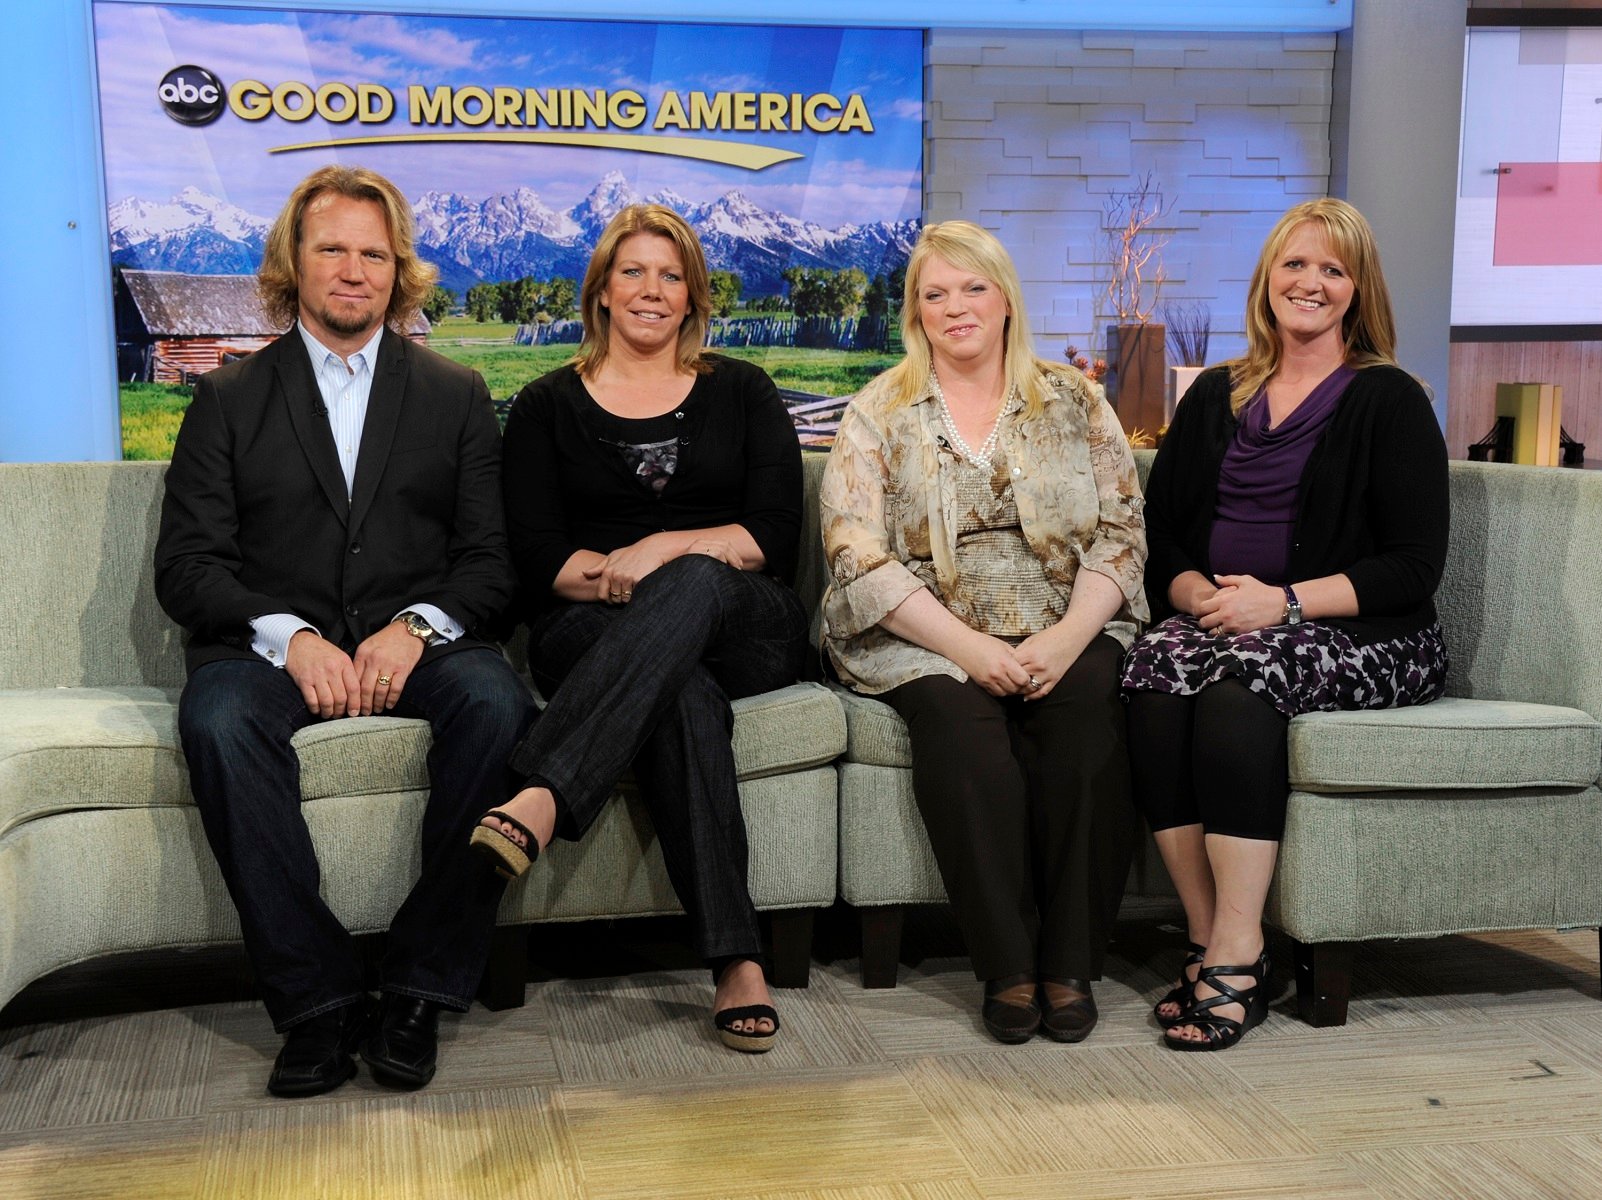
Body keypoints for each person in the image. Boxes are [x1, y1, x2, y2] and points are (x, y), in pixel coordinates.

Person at [155, 165, 535, 1097]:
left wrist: (414, 627)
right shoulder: (228, 399)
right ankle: (316, 1003)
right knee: (215, 721)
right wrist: (291, 636)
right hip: (271, 654)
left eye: (375, 252)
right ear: (295, 261)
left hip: (419, 645)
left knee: (496, 704)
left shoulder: (455, 393)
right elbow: (189, 569)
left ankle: (418, 987)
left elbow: (492, 563)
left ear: (399, 270)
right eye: (332, 248)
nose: (354, 270)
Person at [470, 204, 806, 1054]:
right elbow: (541, 555)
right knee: (678, 690)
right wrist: (631, 578)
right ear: (603, 292)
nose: (653, 290)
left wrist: (660, 550)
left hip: (746, 623)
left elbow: (769, 537)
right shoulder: (547, 406)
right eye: (634, 273)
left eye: (671, 274)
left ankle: (544, 792)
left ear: (692, 294)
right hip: (589, 622)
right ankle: (737, 960)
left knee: (694, 577)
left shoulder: (744, 389)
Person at [1123, 197, 1449, 1052]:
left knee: (1240, 689)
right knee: (1151, 680)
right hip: (1228, 617)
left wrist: (1285, 602)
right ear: (1268, 279)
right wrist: (1195, 596)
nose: (1310, 283)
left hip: (1364, 632)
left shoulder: (1389, 399)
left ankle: (1239, 950)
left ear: (1357, 290)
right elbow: (1166, 545)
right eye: (1295, 265)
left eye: (1332, 270)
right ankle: (1210, 936)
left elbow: (1414, 566)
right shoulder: (1213, 399)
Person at [819, 220, 1148, 1044]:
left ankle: (1071, 963)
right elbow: (855, 552)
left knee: (1086, 729)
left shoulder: (1077, 400)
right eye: (936, 293)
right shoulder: (878, 410)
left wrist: (1072, 637)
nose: (956, 307)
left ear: (1006, 299)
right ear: (915, 312)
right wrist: (968, 650)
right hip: (924, 637)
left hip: (1064, 623)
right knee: (965, 739)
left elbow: (1123, 531)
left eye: (974, 288)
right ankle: (1009, 966)